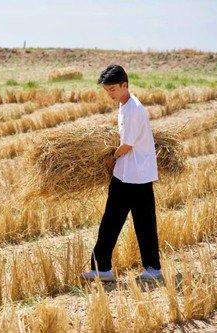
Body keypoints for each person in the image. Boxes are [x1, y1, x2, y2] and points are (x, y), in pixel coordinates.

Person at [82, 65, 162, 282]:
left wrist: (111, 158)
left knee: (142, 223)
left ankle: (152, 269)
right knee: (112, 221)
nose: (110, 93)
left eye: (113, 89)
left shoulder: (133, 109)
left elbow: (126, 145)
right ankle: (103, 268)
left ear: (125, 85)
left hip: (136, 176)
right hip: (127, 174)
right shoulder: (124, 105)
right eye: (107, 90)